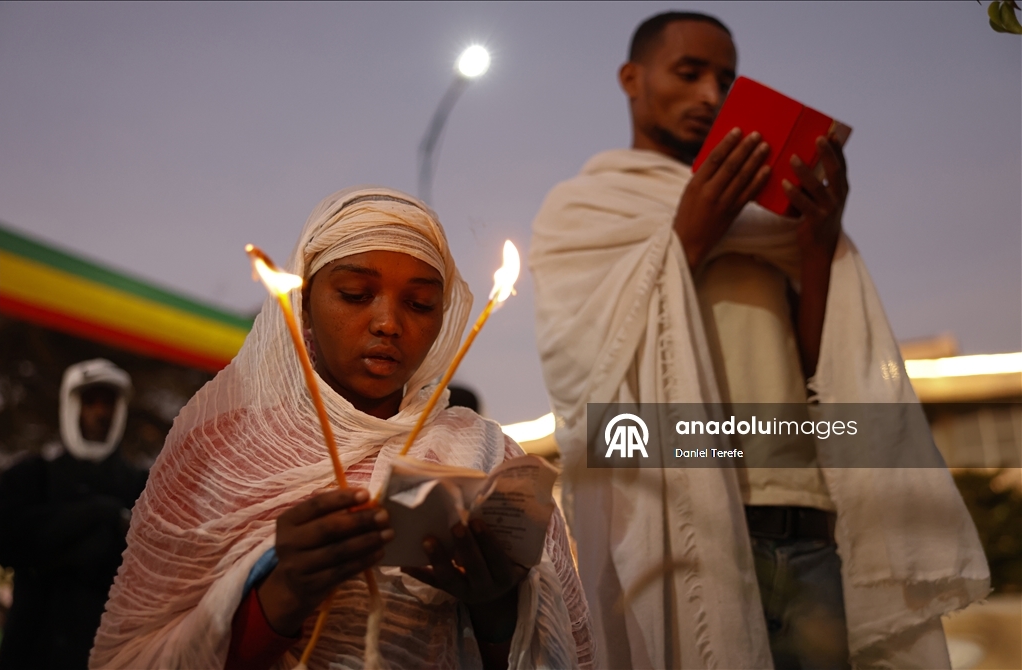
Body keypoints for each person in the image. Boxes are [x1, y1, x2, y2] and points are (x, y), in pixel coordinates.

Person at [529, 11, 988, 669]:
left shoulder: (769, 216)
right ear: (632, 78)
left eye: (726, 80)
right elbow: (584, 379)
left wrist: (818, 244)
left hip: (805, 525)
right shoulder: (582, 210)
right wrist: (688, 236)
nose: (710, 96)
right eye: (689, 73)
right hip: (680, 527)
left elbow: (819, 367)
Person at [90, 187, 592, 669]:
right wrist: (283, 592)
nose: (388, 323)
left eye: (419, 303)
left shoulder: (489, 456)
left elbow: (564, 649)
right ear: (306, 304)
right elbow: (137, 655)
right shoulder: (221, 452)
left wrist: (496, 609)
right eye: (355, 295)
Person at [0, 359, 147, 670]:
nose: (101, 413)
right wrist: (101, 513)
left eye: (109, 402)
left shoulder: (143, 487)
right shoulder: (32, 477)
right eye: (91, 401)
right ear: (72, 405)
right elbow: (10, 541)